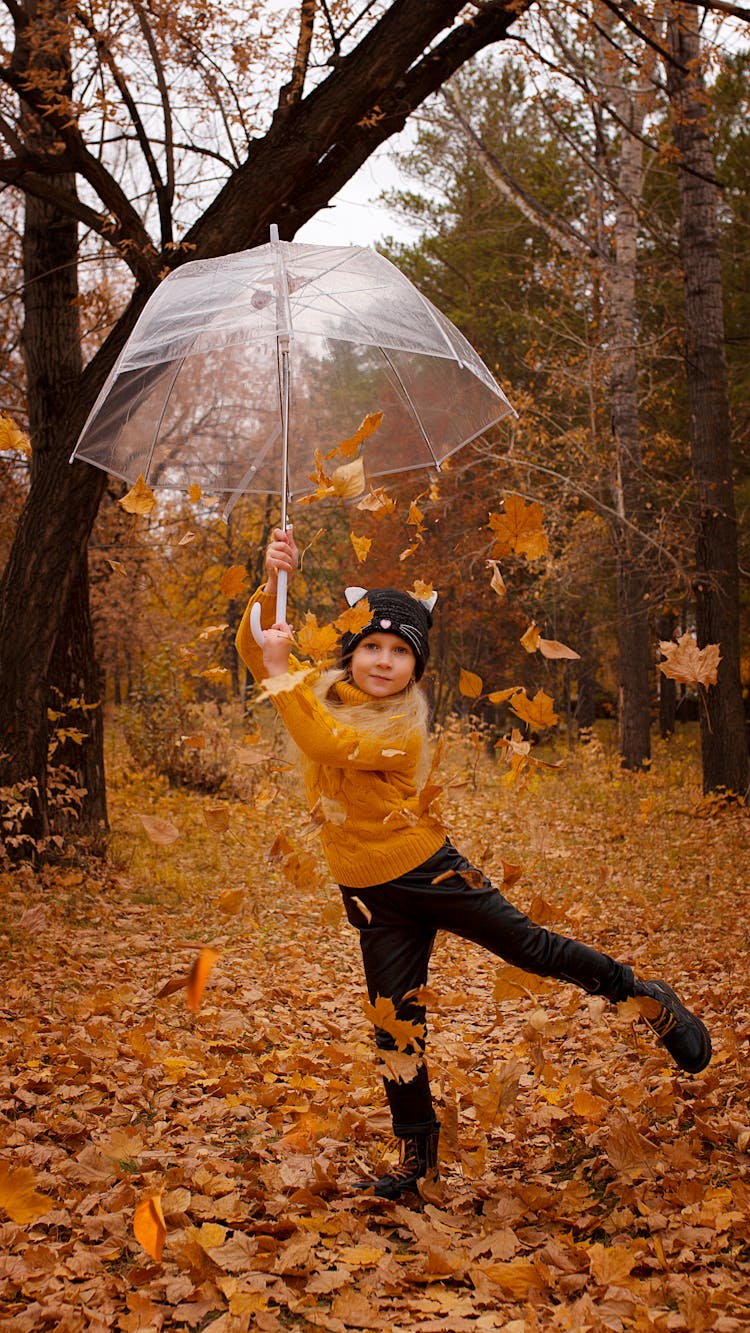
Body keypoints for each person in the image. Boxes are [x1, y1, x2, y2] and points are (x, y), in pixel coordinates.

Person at [236, 527, 711, 1201]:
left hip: (429, 868)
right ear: (352, 649)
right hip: (369, 891)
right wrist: (270, 577)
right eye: (371, 645)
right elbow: (254, 647)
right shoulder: (319, 684)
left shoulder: (401, 721)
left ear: (416, 667)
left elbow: (324, 740)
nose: (382, 660)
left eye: (399, 651)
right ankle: (417, 1161)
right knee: (393, 1019)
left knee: (528, 945)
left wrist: (283, 673)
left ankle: (643, 996)